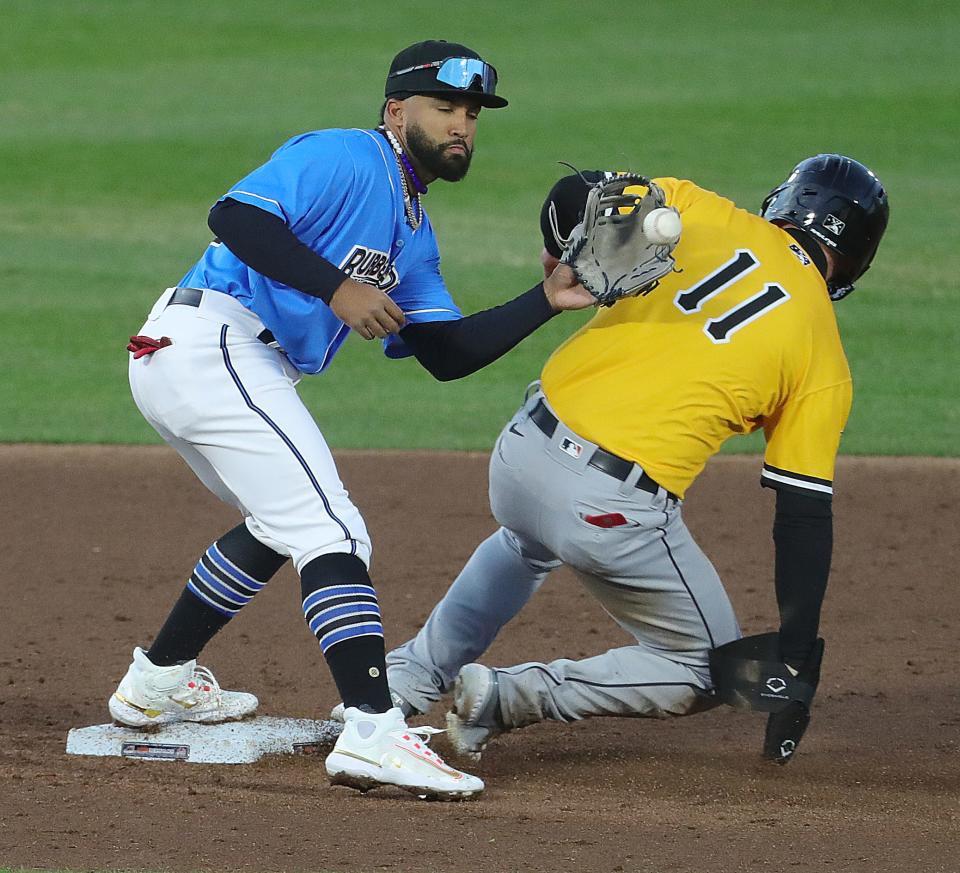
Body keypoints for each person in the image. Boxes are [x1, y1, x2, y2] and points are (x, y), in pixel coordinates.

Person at [110, 38, 594, 801]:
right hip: (212, 342)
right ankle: (373, 730)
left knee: (281, 522)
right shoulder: (345, 156)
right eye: (444, 107)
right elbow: (233, 215)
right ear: (397, 111)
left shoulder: (414, 234)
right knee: (332, 531)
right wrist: (336, 288)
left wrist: (548, 300)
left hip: (211, 359)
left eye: (471, 112)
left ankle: (154, 681)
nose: (461, 125)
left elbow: (445, 351)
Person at [378, 156, 890, 763]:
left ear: (782, 201)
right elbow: (801, 517)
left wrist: (558, 252)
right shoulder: (823, 359)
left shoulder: (697, 208)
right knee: (707, 670)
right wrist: (798, 654)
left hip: (520, 451)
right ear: (857, 257)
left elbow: (575, 193)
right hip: (605, 508)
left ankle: (405, 679)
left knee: (524, 543)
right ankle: (508, 697)